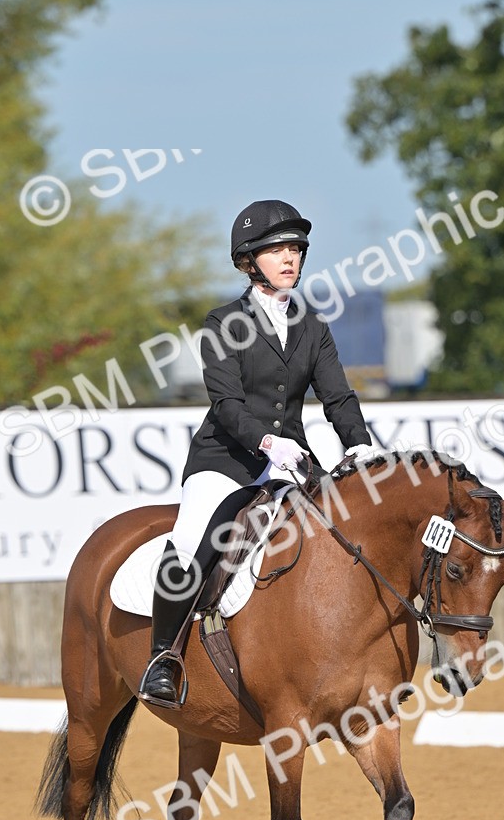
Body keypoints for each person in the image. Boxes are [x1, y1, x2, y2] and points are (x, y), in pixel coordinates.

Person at [139, 198, 378, 707]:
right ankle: (164, 656)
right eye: (278, 251)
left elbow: (337, 396)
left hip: (292, 463)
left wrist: (360, 446)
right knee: (190, 539)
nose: (290, 258)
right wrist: (269, 441)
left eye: (295, 249)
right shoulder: (223, 321)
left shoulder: (314, 327)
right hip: (226, 459)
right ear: (250, 261)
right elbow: (225, 405)